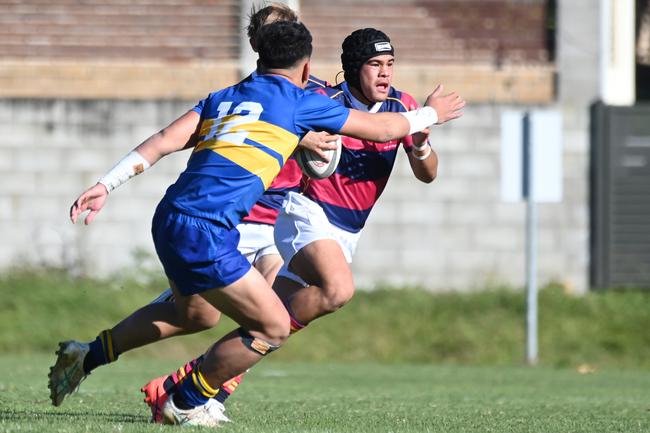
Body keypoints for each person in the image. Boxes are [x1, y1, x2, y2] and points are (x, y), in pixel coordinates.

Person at [49, 21, 461, 427]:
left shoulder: (223, 97)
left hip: (170, 217)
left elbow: (161, 141)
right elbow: (384, 127)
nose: (385, 71)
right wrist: (431, 113)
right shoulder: (304, 101)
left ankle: (90, 355)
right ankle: (185, 400)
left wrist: (106, 184)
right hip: (214, 229)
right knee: (275, 324)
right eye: (376, 63)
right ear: (306, 68)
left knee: (197, 316)